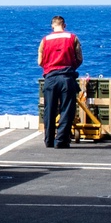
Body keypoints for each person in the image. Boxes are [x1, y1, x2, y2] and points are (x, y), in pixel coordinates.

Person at [38, 16, 83, 149]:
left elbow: (40, 61)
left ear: (52, 26)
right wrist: (71, 66)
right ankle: (62, 140)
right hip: (67, 77)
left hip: (50, 77)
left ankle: (49, 140)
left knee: (49, 110)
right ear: (64, 24)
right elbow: (79, 58)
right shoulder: (72, 37)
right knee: (67, 110)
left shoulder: (44, 40)